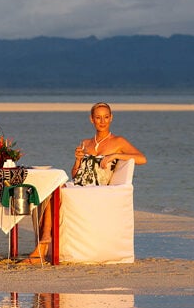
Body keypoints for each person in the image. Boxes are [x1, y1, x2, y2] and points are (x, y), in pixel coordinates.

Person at [22, 101, 146, 264]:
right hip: (80, 186)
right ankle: (44, 242)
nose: (102, 121)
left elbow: (142, 159)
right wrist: (78, 160)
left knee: (54, 190)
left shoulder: (118, 141)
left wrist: (115, 156)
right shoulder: (86, 143)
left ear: (111, 118)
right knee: (49, 187)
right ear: (91, 119)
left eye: (106, 117)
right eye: (98, 118)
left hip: (96, 190)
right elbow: (76, 174)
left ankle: (44, 242)